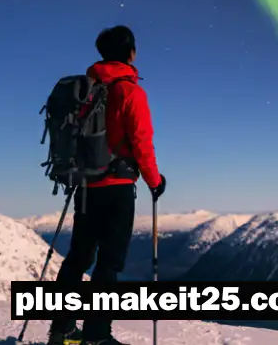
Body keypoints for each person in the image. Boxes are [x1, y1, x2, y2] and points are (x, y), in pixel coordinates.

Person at [48, 26, 166, 345]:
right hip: (117, 187)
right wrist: (155, 181)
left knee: (78, 257)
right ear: (130, 52)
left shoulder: (85, 89)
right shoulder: (130, 92)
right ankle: (97, 336)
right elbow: (142, 142)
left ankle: (61, 330)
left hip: (85, 186)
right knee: (109, 263)